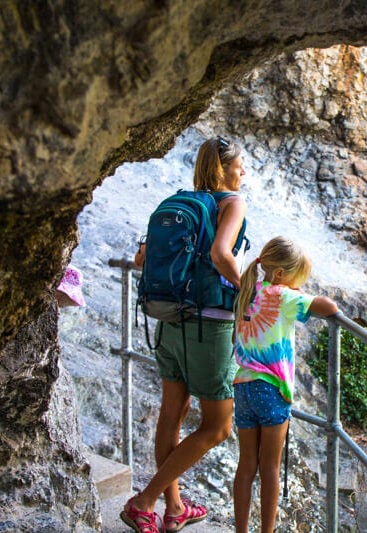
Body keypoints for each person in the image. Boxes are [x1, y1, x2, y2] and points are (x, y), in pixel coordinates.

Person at [122, 137, 247, 533]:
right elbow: (220, 255)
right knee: (218, 427)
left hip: (170, 319)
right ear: (225, 169)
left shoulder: (177, 203)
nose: (244, 173)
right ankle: (144, 501)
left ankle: (174, 508)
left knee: (171, 417)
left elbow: (142, 259)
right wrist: (252, 295)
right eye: (240, 166)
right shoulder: (232, 203)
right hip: (208, 327)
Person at [232, 237, 338, 532]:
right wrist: (296, 292)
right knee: (270, 469)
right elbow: (329, 306)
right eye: (296, 279)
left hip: (242, 384)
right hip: (271, 390)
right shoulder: (282, 296)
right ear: (280, 275)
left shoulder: (248, 290)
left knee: (246, 466)